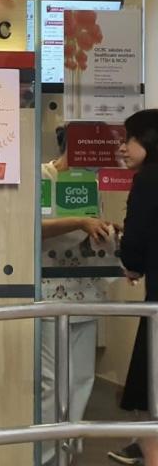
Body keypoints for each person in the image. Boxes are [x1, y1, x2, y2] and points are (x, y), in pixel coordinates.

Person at [39, 126, 118, 466]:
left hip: (86, 291)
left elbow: (91, 228)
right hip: (47, 294)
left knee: (82, 379)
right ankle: (44, 456)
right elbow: (33, 227)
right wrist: (78, 222)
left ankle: (68, 452)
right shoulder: (42, 176)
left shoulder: (93, 183)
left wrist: (104, 230)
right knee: (51, 383)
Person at [116, 110, 158, 466]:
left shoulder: (148, 180)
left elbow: (136, 238)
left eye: (128, 139)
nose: (123, 147)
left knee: (153, 374)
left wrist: (132, 264)